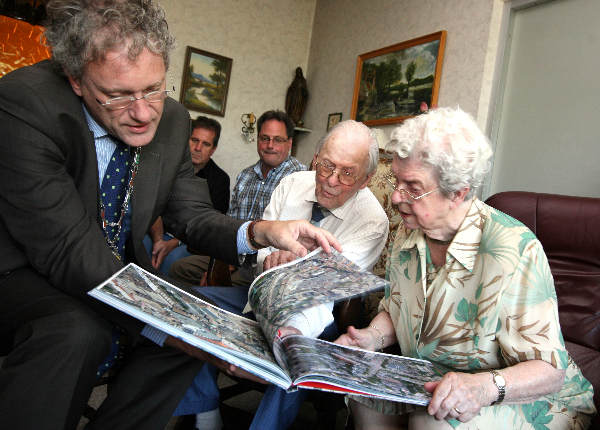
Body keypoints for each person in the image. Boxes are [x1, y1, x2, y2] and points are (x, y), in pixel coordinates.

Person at [0, 2, 340, 430]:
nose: (143, 113)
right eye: (119, 94)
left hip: (111, 266)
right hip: (21, 272)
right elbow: (68, 249)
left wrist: (261, 231)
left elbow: (191, 214)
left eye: (154, 89)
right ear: (76, 80)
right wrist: (177, 330)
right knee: (80, 331)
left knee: (199, 315)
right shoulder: (23, 104)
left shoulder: (175, 119)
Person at [336, 107, 596, 429]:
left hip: (530, 397)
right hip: (437, 379)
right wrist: (371, 337)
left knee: (434, 421)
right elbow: (398, 306)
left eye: (413, 187)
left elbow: (549, 371)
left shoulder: (513, 248)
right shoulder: (408, 232)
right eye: (395, 181)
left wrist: (483, 388)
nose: (396, 197)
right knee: (364, 396)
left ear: (458, 192)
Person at [177, 120, 390, 430]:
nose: (330, 180)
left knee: (298, 348)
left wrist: (289, 265)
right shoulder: (293, 183)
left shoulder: (373, 222)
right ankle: (205, 412)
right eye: (326, 165)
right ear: (316, 156)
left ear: (366, 180)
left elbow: (324, 281)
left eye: (347, 173)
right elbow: (263, 245)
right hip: (261, 292)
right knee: (191, 303)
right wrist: (272, 257)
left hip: (319, 312)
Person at [169, 109, 306, 287]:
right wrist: (222, 263)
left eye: (278, 140)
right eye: (265, 138)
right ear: (258, 140)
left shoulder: (300, 177)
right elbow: (230, 222)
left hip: (267, 263)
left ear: (289, 143)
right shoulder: (245, 176)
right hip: (233, 255)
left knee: (219, 285)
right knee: (179, 269)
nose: (270, 145)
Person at [144, 116, 230, 274]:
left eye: (206, 144)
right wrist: (158, 240)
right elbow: (150, 203)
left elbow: (212, 226)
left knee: (171, 261)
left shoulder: (220, 180)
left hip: (189, 243)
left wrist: (173, 244)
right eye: (194, 140)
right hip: (156, 231)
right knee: (140, 246)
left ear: (213, 149)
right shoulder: (167, 165)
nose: (198, 148)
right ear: (186, 140)